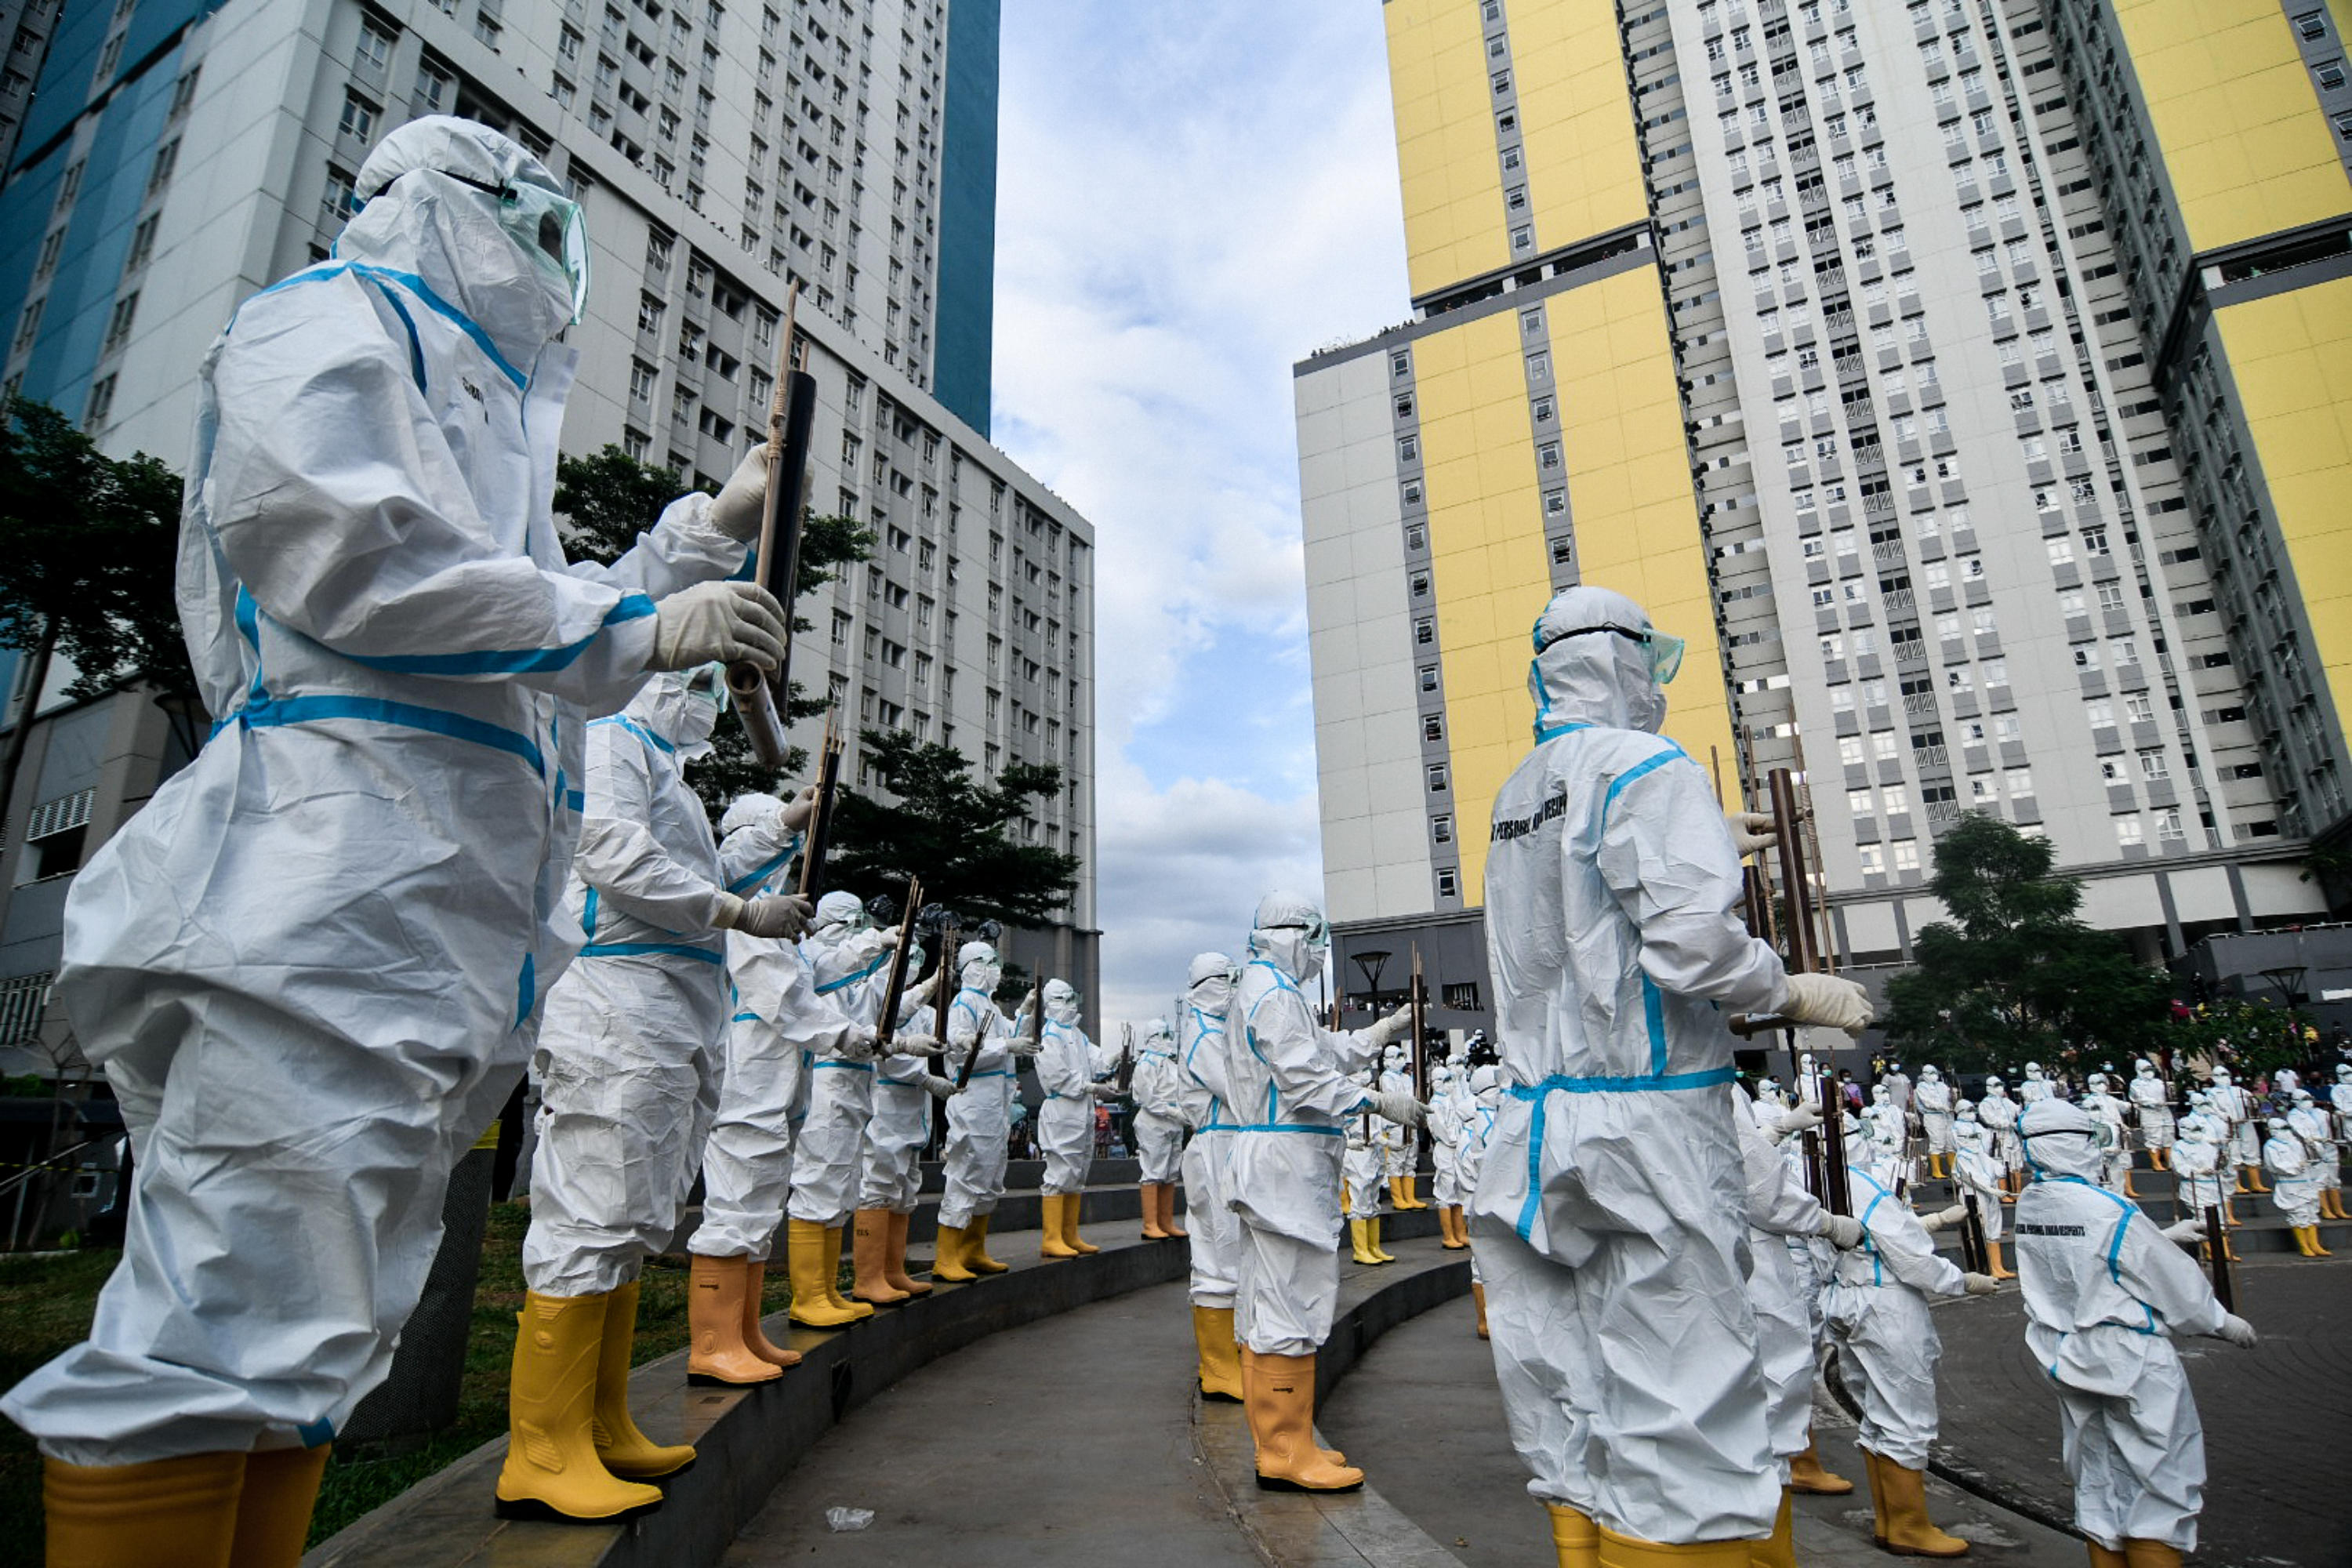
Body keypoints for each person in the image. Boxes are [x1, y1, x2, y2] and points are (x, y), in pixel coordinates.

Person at [0, 118, 788, 1562]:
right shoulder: (325, 324)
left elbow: (510, 603)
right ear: (448, 208)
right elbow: (352, 552)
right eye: (536, 225)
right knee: (223, 1306)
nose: (554, 266)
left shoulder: (477, 409)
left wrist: (688, 545)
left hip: (425, 897)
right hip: (325, 871)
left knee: (314, 1316)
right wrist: (635, 619)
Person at [1471, 586, 1877, 1568]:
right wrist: (1787, 987)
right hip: (1648, 1121)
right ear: (1626, 663)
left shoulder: (1521, 789)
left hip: (1536, 1124)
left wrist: (1689, 837)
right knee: (1688, 1404)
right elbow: (1692, 949)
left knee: (1573, 1383)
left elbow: (1566, 924)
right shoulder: (1647, 764)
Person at [506, 669, 810, 1521]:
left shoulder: (664, 767)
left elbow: (699, 864)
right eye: (700, 677)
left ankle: (599, 1423)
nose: (714, 695)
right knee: (591, 1212)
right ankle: (542, 1446)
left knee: (632, 1215)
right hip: (614, 1007)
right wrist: (735, 912)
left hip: (666, 1010)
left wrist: (782, 826)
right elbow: (609, 849)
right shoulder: (611, 741)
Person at [2013, 1098, 2257, 1568]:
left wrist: (2157, 1235)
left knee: (2099, 1483)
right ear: (2075, 1144)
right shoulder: (2108, 1208)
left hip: (2068, 1354)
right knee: (2161, 1488)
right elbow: (2175, 1289)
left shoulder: (2033, 1201)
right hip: (2131, 1360)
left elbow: (2083, 1256)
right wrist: (2223, 1323)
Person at [1225, 891, 1414, 1492]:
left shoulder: (1269, 990)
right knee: (1292, 1299)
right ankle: (1285, 1450)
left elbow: (1323, 1052)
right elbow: (1307, 1078)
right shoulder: (1275, 994)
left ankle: (1285, 1439)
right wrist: (1377, 1100)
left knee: (1274, 1297)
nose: (1316, 953)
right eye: (1312, 940)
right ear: (1291, 934)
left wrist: (1379, 1032)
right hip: (1284, 1162)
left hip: (1276, 1158)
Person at [688, 794, 840, 1372]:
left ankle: (743, 1332)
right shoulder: (749, 911)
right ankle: (712, 1346)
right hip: (748, 1077)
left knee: (758, 1200)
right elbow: (781, 997)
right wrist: (847, 1038)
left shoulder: (769, 912)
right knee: (737, 1201)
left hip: (774, 1080)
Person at [1823, 1121, 2000, 1558]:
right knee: (1905, 1417)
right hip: (1887, 1305)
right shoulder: (1861, 1183)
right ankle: (1909, 1525)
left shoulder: (1819, 1183)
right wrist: (1962, 1281)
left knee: (1876, 1414)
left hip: (1846, 1298)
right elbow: (1910, 1260)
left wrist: (1932, 1221)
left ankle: (1889, 1521)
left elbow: (1871, 1238)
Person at [1736, 1096, 1867, 1568]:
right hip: (1747, 1265)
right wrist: (1825, 1222)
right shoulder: (1701, 1075)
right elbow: (1760, 1192)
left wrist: (1774, 1132)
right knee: (1767, 1411)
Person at [855, 946, 954, 1303]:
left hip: (913, 1106)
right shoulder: (873, 993)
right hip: (887, 1099)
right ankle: (868, 1277)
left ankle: (893, 1271)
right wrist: (926, 1079)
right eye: (906, 956)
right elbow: (882, 1043)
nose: (912, 963)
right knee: (880, 1184)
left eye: (917, 956)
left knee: (905, 1187)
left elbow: (934, 1043)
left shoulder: (922, 1011)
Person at [934, 941, 1029, 1279]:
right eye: (984, 961)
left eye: (995, 960)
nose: (993, 967)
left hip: (996, 1103)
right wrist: (1006, 1044)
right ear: (968, 965)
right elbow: (961, 1052)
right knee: (966, 1172)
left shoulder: (989, 1005)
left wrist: (1026, 1015)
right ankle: (947, 1257)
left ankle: (974, 1249)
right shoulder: (963, 1003)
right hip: (973, 1099)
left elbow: (1009, 1043)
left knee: (990, 1175)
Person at [1176, 953, 1246, 1403]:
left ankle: (1226, 1360)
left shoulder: (1217, 1029)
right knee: (1218, 1256)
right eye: (1229, 980)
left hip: (1228, 1143)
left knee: (1229, 1251)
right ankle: (1219, 1368)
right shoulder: (1203, 1034)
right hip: (1215, 1146)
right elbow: (1240, 1085)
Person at [1034, 980, 1115, 1258]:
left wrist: (1116, 1059)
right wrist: (1091, 1087)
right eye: (1064, 999)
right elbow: (1058, 1076)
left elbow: (1096, 1061)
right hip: (1062, 1108)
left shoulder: (1076, 1034)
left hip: (1081, 1109)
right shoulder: (1049, 1035)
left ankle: (1070, 1234)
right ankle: (1052, 1237)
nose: (1071, 1004)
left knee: (1078, 1171)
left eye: (1072, 998)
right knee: (1059, 1171)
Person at [1130, 1015, 1189, 1240]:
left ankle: (1166, 1221)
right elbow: (1149, 1098)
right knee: (1153, 1170)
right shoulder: (1146, 1064)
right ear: (1151, 1038)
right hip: (1154, 1121)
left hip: (1173, 1122)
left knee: (1170, 1171)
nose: (1167, 1040)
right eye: (1163, 1035)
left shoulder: (1171, 1064)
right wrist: (1174, 1112)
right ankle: (1150, 1224)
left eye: (1169, 1035)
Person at [1459, 1065, 1504, 1340]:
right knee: (1483, 1262)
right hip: (1482, 1205)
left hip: (1490, 1202)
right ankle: (1484, 1321)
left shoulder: (1493, 1118)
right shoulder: (1482, 1125)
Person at [1950, 1102, 2014, 1279]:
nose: (1975, 1140)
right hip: (1975, 1195)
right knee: (1981, 1228)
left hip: (1991, 1194)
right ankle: (1985, 1267)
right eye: (1970, 1137)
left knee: (1994, 1228)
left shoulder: (1981, 1154)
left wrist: (2000, 1169)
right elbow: (1974, 1179)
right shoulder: (1962, 1157)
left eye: (1976, 1137)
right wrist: (1993, 1190)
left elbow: (1996, 1168)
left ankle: (1998, 1266)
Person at [2263, 1116, 2332, 1257]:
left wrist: (2314, 1145)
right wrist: (2295, 1167)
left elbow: (2316, 1157)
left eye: (2287, 1128)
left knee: (2311, 1212)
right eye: (2282, 1129)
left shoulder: (2297, 1142)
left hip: (2306, 1182)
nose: (2285, 1131)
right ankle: (2304, 1246)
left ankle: (2315, 1245)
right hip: (2289, 1184)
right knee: (2298, 1214)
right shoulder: (2271, 1146)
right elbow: (2275, 1166)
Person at [1343, 1076, 1394, 1266]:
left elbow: (1375, 1128)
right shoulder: (1348, 1099)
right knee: (1360, 1197)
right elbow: (1342, 1125)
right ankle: (1360, 1250)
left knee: (1373, 1198)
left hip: (1373, 1150)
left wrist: (1385, 1142)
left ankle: (1374, 1247)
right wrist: (1347, 1143)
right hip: (1358, 1151)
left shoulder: (1370, 1098)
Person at [1427, 1061, 1472, 1250]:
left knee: (1458, 1189)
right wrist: (1456, 1138)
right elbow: (1443, 1131)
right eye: (1446, 1080)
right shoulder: (1435, 1104)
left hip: (1455, 1150)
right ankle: (1448, 1235)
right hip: (1445, 1149)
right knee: (1446, 1190)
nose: (1450, 1084)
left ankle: (1460, 1232)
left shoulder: (1449, 1100)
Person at [1379, 1044, 1428, 1209]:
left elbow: (1412, 1097)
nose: (1401, 1060)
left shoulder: (1406, 1078)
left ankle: (1410, 1197)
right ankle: (1398, 1199)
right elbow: (1395, 1099)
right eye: (1397, 1057)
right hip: (1396, 1124)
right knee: (1396, 1160)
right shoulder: (1386, 1078)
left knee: (1410, 1160)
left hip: (1410, 1121)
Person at [2205, 1068, 2267, 1194]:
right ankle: (2236, 1184)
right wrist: (2227, 1118)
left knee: (2252, 1150)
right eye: (2218, 1075)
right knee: (2234, 1153)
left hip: (2246, 1123)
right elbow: (2213, 1109)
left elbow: (2254, 1101)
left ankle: (2256, 1184)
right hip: (2229, 1126)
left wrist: (2256, 1107)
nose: (2222, 1077)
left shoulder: (2239, 1091)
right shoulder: (2212, 1093)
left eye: (2224, 1074)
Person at [2289, 1088, 2346, 1221]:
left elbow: (2334, 1124)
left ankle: (2338, 1209)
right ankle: (2325, 1210)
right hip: (2313, 1150)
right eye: (2304, 1099)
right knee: (2319, 1180)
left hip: (2329, 1148)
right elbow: (2300, 1132)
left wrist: (2338, 1116)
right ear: (2296, 1101)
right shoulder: (2294, 1115)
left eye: (2309, 1098)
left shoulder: (2320, 1113)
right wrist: (2316, 1140)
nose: (2308, 1102)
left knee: (2334, 1179)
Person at [2082, 1073, 2136, 1196]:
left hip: (2119, 1132)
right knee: (2105, 1165)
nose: (2101, 1086)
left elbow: (2124, 1108)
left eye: (2102, 1083)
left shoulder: (2110, 1099)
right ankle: (2106, 1193)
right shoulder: (2089, 1102)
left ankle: (2122, 1191)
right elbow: (2094, 1122)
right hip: (2103, 1132)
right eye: (2097, 1084)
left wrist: (2127, 1105)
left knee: (2122, 1164)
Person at [1978, 1076, 2023, 1199]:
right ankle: (2002, 1194)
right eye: (1997, 1085)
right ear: (1989, 1087)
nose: (2000, 1088)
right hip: (1997, 1136)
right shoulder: (1986, 1103)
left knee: (2016, 1162)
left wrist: (2024, 1103)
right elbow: (1991, 1120)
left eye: (2001, 1085)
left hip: (2011, 1134)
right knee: (2000, 1164)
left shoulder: (2006, 1101)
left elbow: (2018, 1110)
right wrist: (2008, 1123)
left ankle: (2016, 1193)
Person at [2129, 1059, 2175, 1171]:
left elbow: (2167, 1095)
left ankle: (2171, 1162)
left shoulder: (2158, 1082)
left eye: (2150, 1069)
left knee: (2168, 1136)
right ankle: (2156, 1163)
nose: (2149, 1072)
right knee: (2154, 1138)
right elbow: (2139, 1098)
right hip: (2149, 1113)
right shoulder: (2136, 1083)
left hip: (2164, 1111)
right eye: (2146, 1070)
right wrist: (2154, 1102)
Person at [1916, 1065, 1956, 1179]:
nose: (1934, 1075)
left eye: (1935, 1072)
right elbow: (1927, 1102)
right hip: (1933, 1117)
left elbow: (1950, 1099)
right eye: (1931, 1073)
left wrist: (1954, 1095)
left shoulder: (1942, 1086)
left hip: (1948, 1116)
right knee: (1937, 1142)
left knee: (1950, 1142)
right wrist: (1941, 1107)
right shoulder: (1922, 1087)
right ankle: (1936, 1171)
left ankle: (1954, 1170)